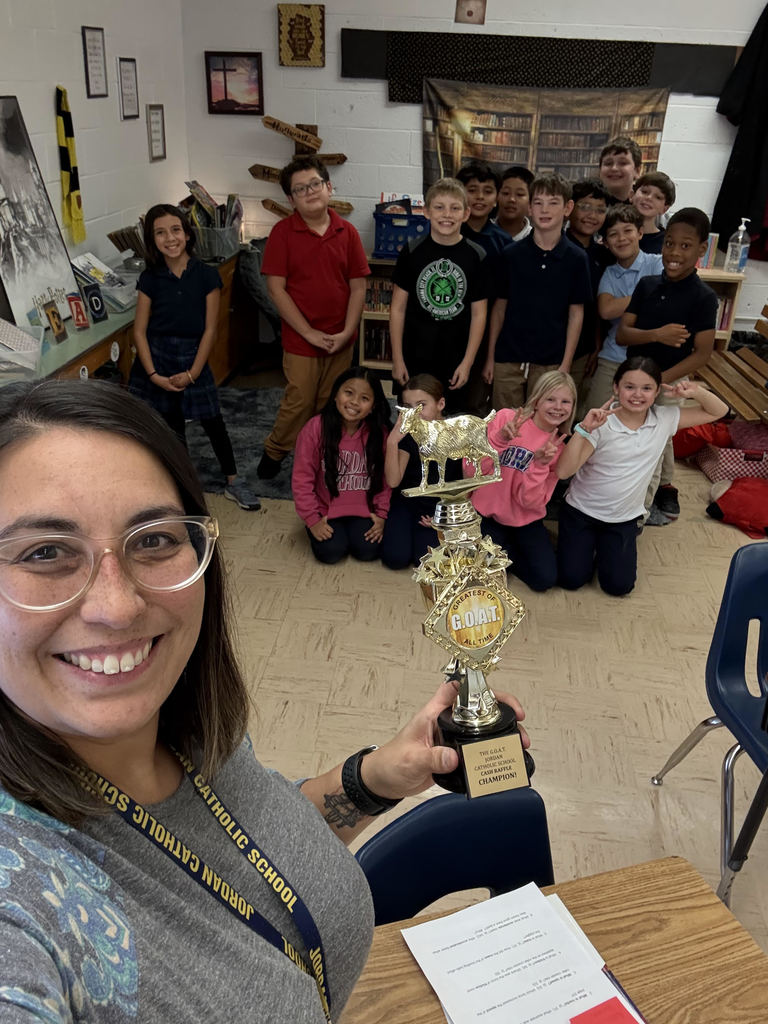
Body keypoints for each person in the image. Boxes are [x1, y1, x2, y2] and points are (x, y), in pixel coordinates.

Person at [0, 378, 532, 1021]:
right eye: (46, 552)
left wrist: (374, 779)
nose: (116, 606)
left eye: (153, 539)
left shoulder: (185, 723)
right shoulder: (21, 900)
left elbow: (249, 846)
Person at [556, 357, 728, 596]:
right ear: (616, 388)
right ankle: (587, 547)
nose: (637, 395)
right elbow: (564, 471)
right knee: (571, 579)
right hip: (581, 512)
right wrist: (583, 429)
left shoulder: (665, 418)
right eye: (629, 387)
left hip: (623, 519)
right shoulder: (601, 422)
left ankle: (601, 549)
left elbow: (719, 411)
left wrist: (695, 392)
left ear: (657, 391)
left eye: (646, 388)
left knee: (618, 587)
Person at [128, 203, 261, 511]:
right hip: (157, 358)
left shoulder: (207, 276)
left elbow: (210, 331)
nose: (169, 238)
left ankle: (233, 481)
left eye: (175, 230)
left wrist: (192, 373)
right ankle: (185, 487)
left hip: (193, 357)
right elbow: (139, 332)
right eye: (160, 233)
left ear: (187, 234)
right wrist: (153, 375)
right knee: (172, 427)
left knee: (213, 421)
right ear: (152, 240)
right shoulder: (149, 278)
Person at [257, 155, 370, 480]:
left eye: (315, 184)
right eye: (300, 189)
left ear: (328, 186)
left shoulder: (347, 232)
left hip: (341, 337)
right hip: (301, 338)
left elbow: (358, 288)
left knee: (331, 401)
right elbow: (276, 289)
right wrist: (307, 332)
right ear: (291, 199)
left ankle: (321, 457)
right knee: (301, 398)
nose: (310, 192)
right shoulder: (282, 233)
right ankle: (275, 450)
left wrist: (349, 330)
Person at [616, 207, 718, 523]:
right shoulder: (646, 285)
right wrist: (657, 335)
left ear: (702, 249)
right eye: (669, 243)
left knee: (657, 440)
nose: (674, 252)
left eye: (685, 246)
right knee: (635, 439)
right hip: (633, 380)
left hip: (669, 382)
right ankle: (643, 492)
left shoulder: (703, 297)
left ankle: (651, 497)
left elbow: (702, 353)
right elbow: (623, 334)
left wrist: (658, 382)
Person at [485, 173, 592, 410]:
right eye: (538, 202)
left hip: (551, 361)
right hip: (508, 358)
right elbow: (499, 309)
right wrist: (491, 357)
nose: (545, 210)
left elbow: (576, 315)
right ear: (529, 208)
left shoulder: (576, 258)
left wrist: (565, 364)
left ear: (567, 208)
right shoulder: (512, 255)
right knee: (505, 424)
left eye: (553, 202)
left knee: (542, 426)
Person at [466, 371, 576, 592]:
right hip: (488, 515)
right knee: (478, 577)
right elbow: (471, 471)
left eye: (566, 401)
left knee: (544, 579)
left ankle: (505, 553)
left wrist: (540, 466)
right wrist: (500, 440)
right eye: (551, 399)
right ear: (536, 401)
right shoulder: (506, 418)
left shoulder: (558, 445)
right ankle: (499, 551)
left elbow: (530, 502)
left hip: (525, 519)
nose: (558, 407)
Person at [389, 178, 489, 414]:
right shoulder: (412, 251)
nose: (447, 214)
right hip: (416, 353)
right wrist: (397, 358)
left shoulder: (477, 255)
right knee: (412, 420)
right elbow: (397, 308)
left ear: (466, 213)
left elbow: (479, 314)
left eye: (455, 208)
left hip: (456, 355)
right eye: (439, 207)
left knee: (453, 421)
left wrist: (468, 362)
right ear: (426, 211)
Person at [292, 367, 392, 564]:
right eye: (348, 393)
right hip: (325, 510)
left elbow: (385, 479)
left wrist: (381, 515)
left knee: (367, 551)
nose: (354, 402)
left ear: (373, 406)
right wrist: (312, 520)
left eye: (364, 398)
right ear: (336, 394)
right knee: (331, 553)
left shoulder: (379, 433)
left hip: (363, 509)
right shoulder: (314, 428)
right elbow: (301, 479)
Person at [380, 374, 462, 570]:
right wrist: (392, 441)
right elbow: (393, 481)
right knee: (394, 559)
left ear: (440, 404)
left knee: (426, 561)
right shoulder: (408, 434)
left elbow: (461, 487)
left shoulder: (455, 434)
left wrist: (443, 518)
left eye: (421, 405)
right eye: (408, 407)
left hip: (438, 506)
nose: (414, 412)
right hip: (407, 503)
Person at [586, 204, 662, 409]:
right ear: (606, 242)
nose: (621, 239)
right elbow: (606, 310)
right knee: (593, 416)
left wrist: (631, 301)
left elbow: (665, 302)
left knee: (660, 422)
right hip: (615, 354)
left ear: (640, 232)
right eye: (613, 234)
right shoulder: (610, 273)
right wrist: (646, 294)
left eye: (628, 231)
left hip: (655, 355)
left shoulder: (657, 263)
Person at [564, 179, 614, 398]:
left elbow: (596, 307)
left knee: (573, 402)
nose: (592, 215)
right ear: (570, 207)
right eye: (585, 207)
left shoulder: (604, 256)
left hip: (585, 346)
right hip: (551, 342)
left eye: (600, 210)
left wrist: (597, 346)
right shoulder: (558, 246)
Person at [456, 161, 510, 258]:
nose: (480, 196)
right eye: (472, 190)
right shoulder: (449, 232)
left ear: (496, 199)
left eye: (488, 192)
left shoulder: (504, 241)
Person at [632, 171, 676, 254]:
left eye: (658, 197)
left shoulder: (666, 244)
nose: (649, 198)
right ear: (632, 195)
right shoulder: (616, 233)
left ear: (665, 209)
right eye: (644, 192)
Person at [598, 136, 642, 204]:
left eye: (623, 163)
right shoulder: (585, 205)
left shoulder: (644, 208)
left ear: (637, 171)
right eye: (608, 163)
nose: (614, 168)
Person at [495, 166, 534, 241]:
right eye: (506, 193)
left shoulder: (536, 239)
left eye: (519, 194)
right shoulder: (483, 234)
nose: (511, 199)